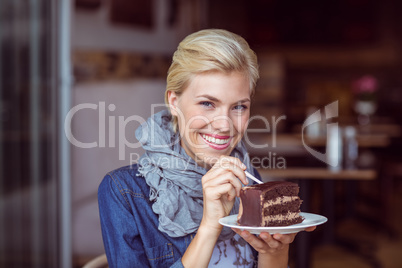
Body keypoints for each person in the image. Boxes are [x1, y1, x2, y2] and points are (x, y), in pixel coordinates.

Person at [98, 29, 315, 268]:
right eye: (207, 103)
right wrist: (210, 226)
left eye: (239, 107)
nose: (224, 125)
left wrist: (275, 249)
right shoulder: (123, 192)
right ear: (174, 102)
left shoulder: (247, 178)